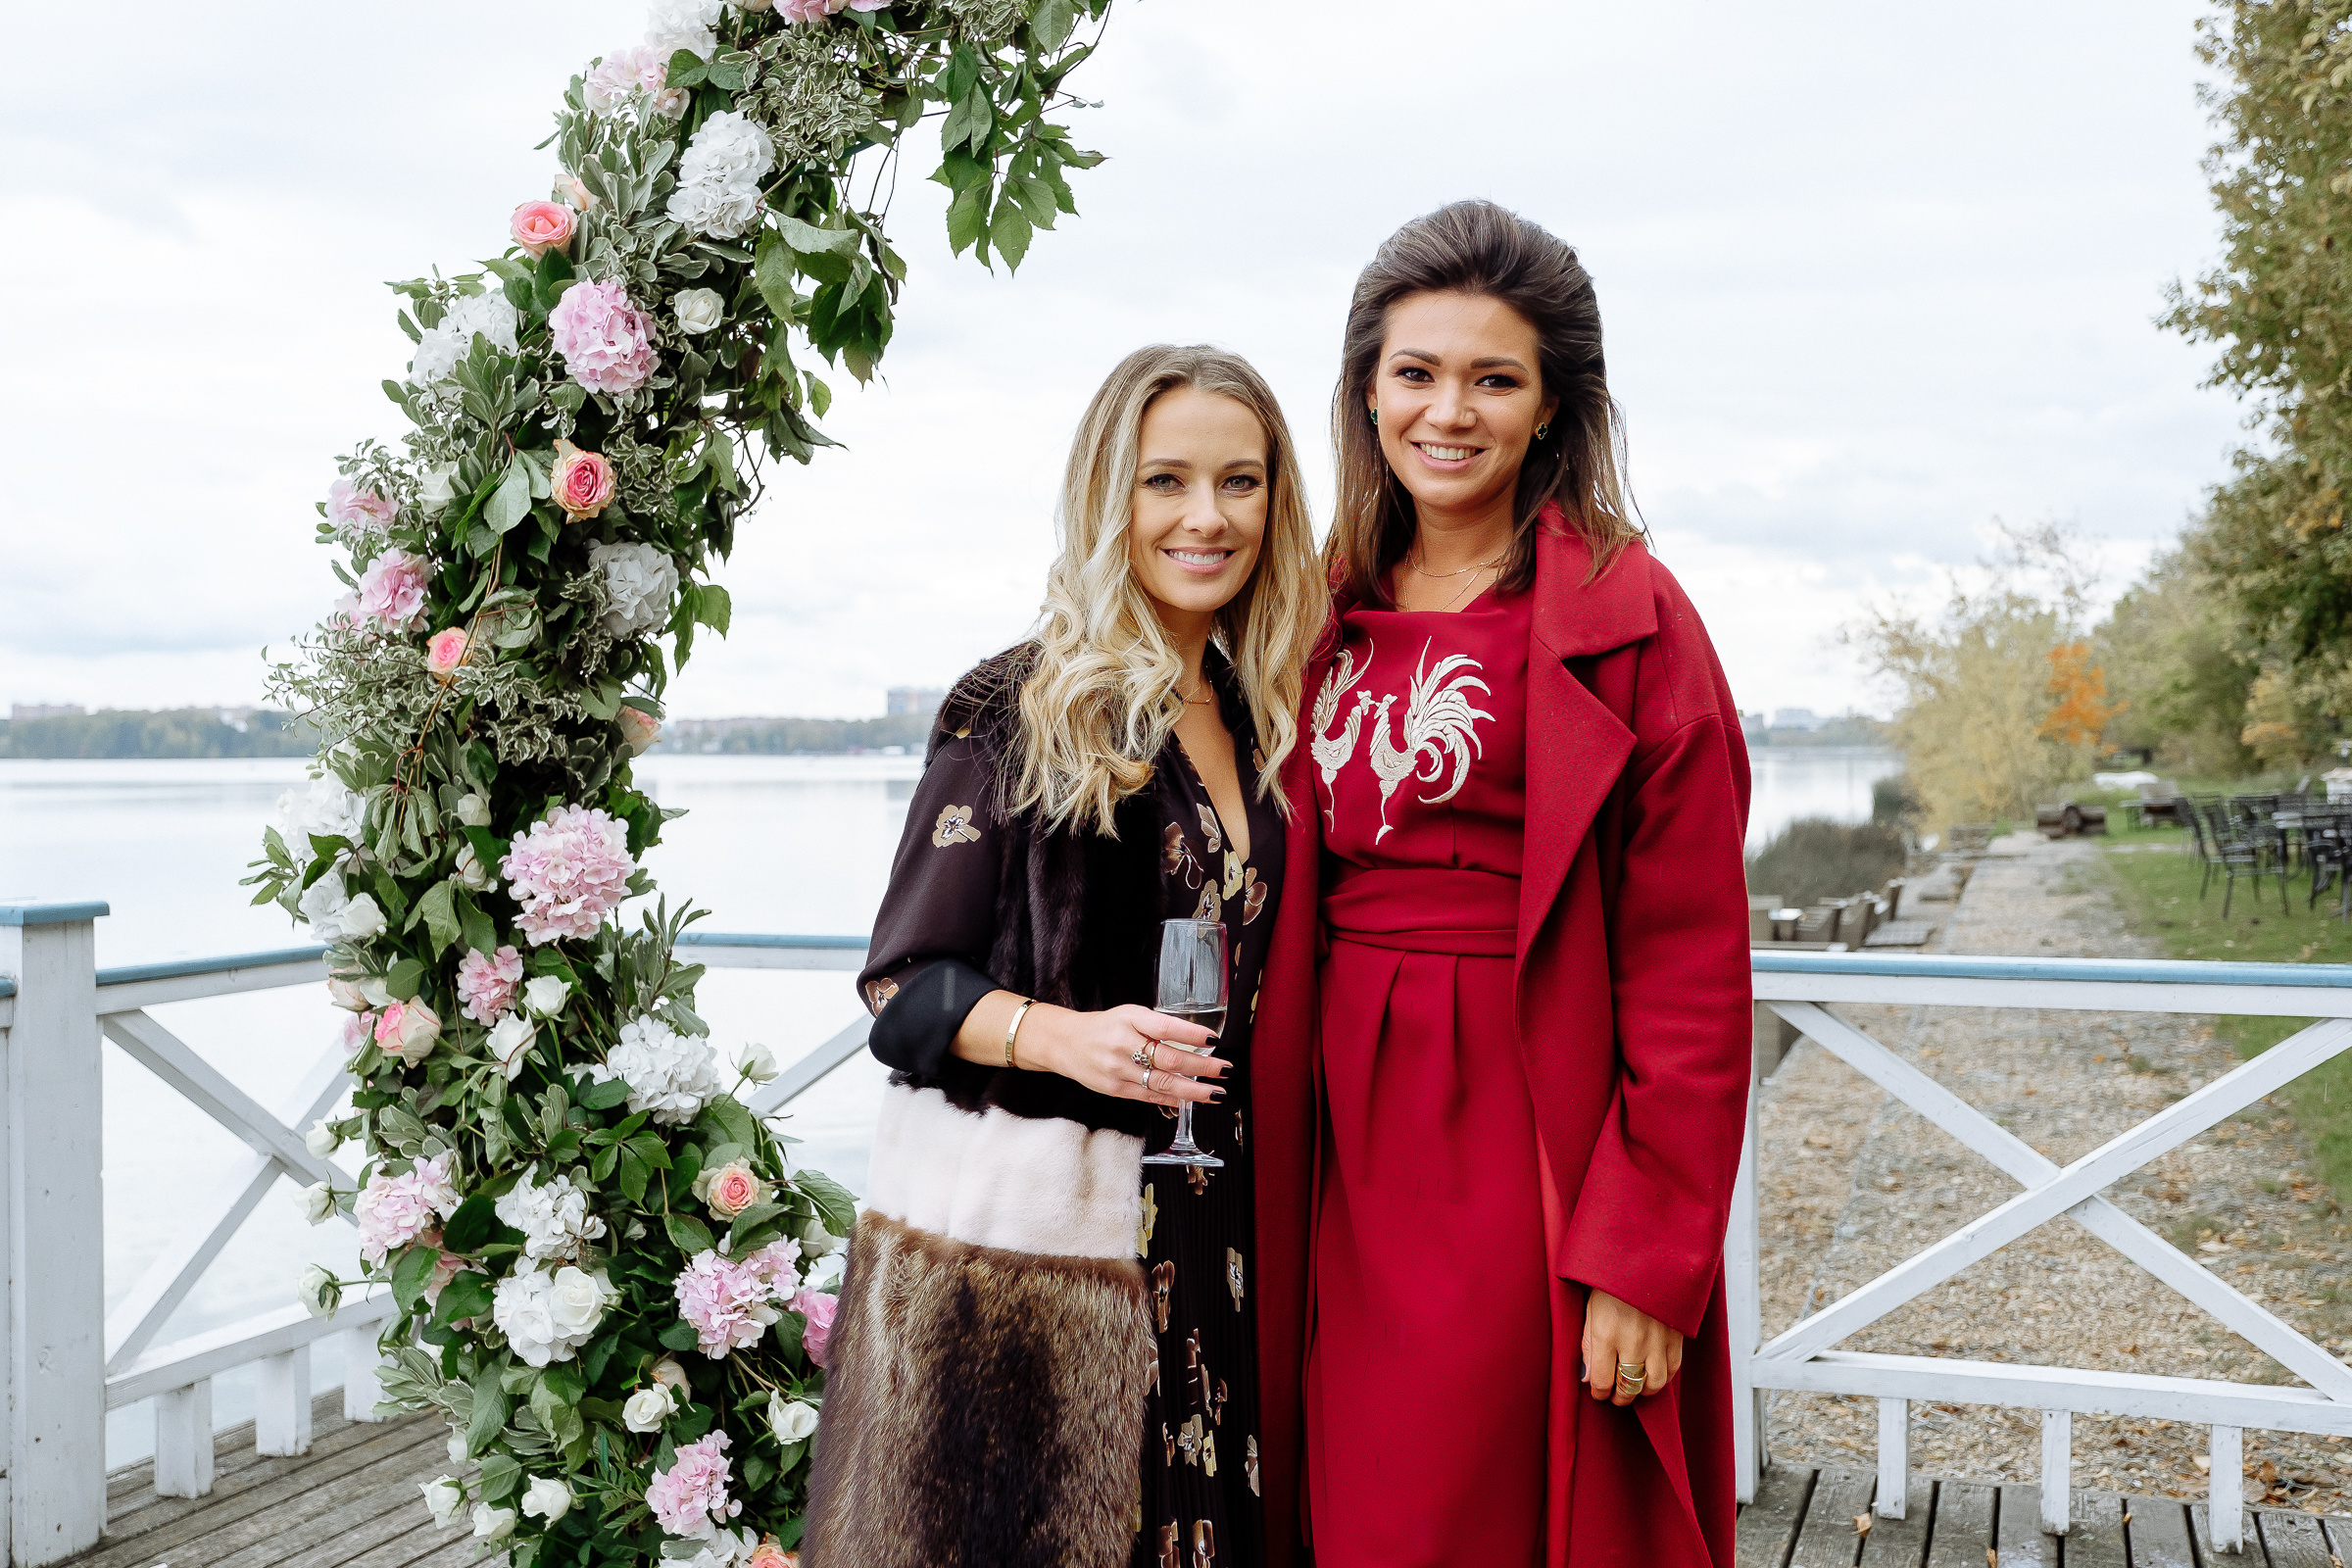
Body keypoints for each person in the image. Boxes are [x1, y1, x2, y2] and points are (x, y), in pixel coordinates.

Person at [1250, 199, 1755, 1566]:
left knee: (1477, 1499)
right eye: (1415, 373)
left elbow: (1694, 969)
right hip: (1333, 1125)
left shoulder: (1633, 623)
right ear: (1366, 395)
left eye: (1494, 379)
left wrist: (1647, 1264)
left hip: (1532, 1125)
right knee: (1345, 1498)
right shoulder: (1309, 608)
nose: (1448, 412)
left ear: (1552, 408)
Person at [803, 345, 1326, 1568]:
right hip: (1065, 1249)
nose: (1208, 517)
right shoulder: (1018, 705)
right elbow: (901, 989)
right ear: (1111, 498)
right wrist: (1062, 1035)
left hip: (1225, 1223)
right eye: (1167, 482)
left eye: (1241, 483)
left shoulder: (1267, 711)